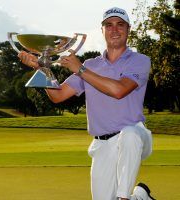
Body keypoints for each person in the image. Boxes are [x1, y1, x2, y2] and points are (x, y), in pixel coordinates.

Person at [18, 7, 155, 200]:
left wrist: (80, 69)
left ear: (128, 29)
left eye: (120, 25)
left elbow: (119, 91)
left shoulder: (139, 60)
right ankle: (140, 197)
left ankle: (125, 197)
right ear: (102, 30)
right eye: (109, 25)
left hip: (136, 137)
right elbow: (58, 96)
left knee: (130, 134)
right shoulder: (91, 65)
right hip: (102, 144)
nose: (114, 30)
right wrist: (42, 68)